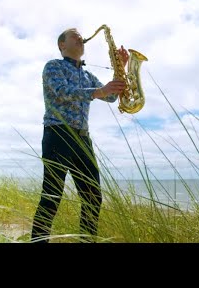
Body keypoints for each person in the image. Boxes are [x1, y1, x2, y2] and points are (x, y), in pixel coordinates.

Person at [31, 27, 128, 243]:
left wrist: (121, 68)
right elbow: (62, 92)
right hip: (58, 134)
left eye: (79, 35)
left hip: (83, 139)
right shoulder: (53, 66)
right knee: (52, 197)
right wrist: (99, 92)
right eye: (73, 34)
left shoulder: (87, 75)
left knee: (93, 197)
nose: (79, 36)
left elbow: (111, 97)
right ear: (62, 45)